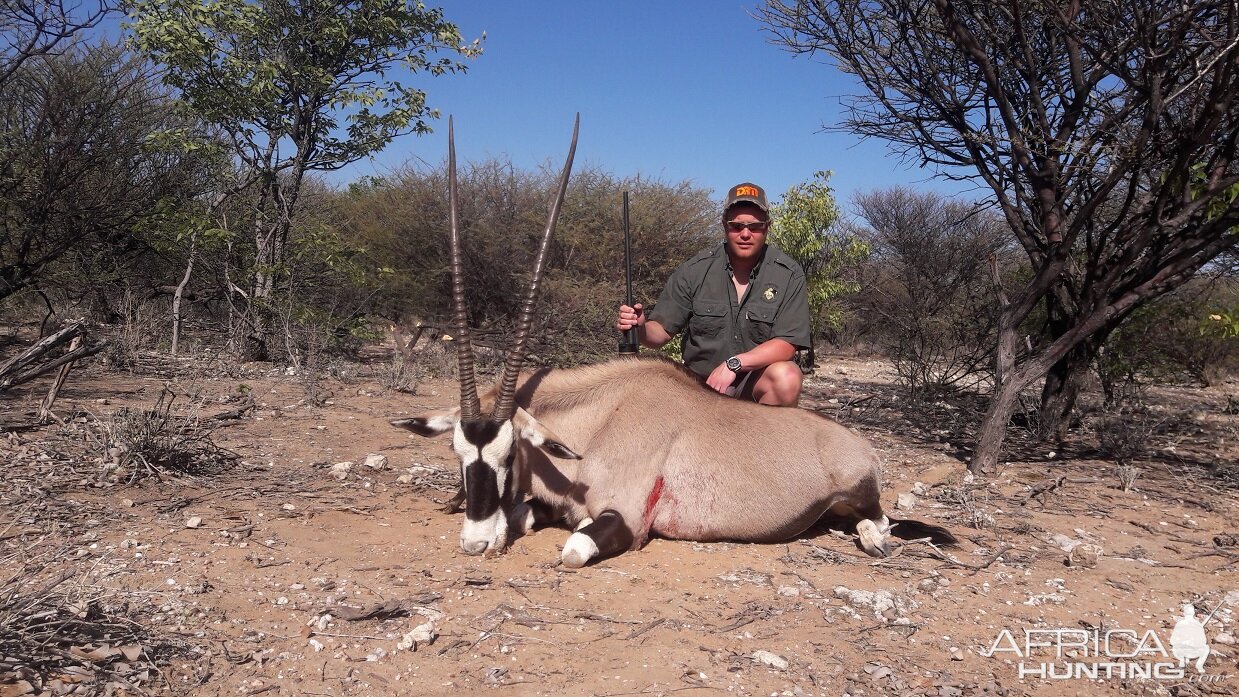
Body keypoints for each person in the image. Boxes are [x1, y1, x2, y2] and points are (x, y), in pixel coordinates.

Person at [616, 182, 810, 406]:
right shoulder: (695, 270)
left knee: (787, 376)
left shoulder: (788, 273)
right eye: (736, 226)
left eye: (754, 226)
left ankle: (765, 439)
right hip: (699, 389)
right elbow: (658, 335)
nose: (745, 234)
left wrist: (734, 364)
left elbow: (786, 345)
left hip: (751, 387)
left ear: (767, 227)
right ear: (724, 225)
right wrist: (639, 326)